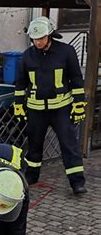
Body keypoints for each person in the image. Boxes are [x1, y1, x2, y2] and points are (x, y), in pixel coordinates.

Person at [13, 16, 87, 195]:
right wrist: (18, 105)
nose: (37, 42)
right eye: (35, 39)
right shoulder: (26, 56)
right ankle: (31, 176)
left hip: (61, 109)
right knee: (34, 146)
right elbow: (20, 83)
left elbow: (76, 79)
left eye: (41, 38)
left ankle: (77, 182)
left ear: (50, 35)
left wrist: (78, 104)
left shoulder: (67, 52)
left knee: (69, 145)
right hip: (35, 110)